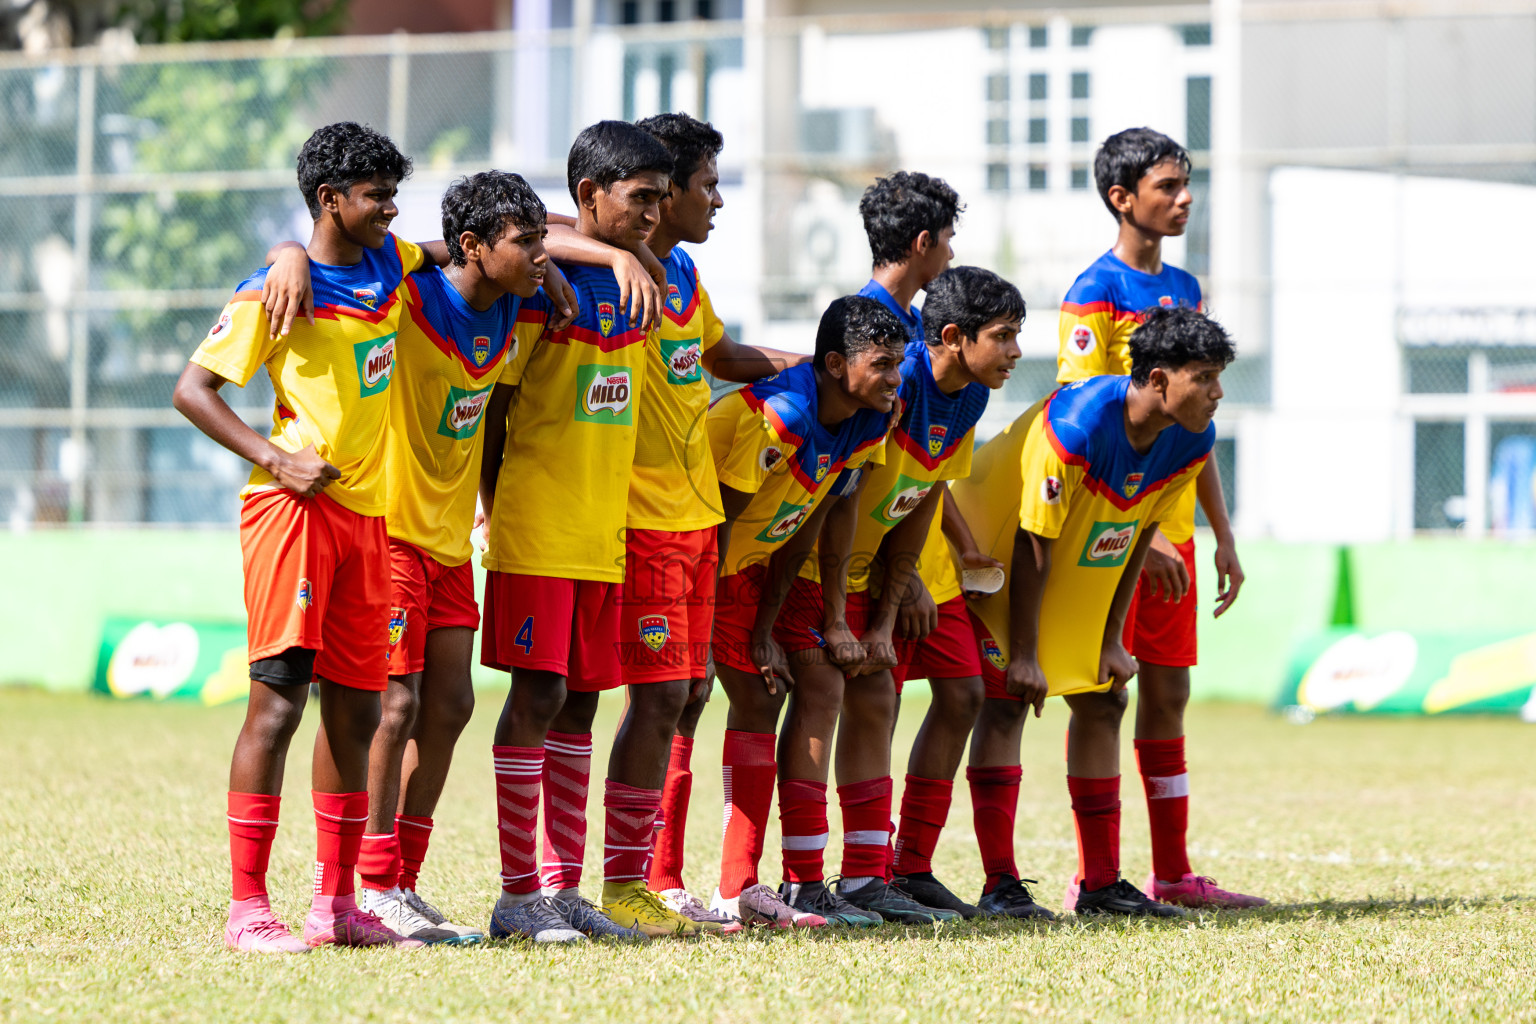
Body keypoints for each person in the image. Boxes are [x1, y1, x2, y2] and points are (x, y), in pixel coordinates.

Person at [172, 122, 425, 952]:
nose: (390, 210)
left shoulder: (390, 261)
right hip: (293, 516)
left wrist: (607, 258)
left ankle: (335, 906)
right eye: (375, 197)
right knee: (279, 704)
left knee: (357, 712)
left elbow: (492, 242)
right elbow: (193, 389)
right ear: (330, 201)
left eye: (393, 195)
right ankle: (248, 909)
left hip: (368, 518)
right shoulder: (275, 289)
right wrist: (277, 457)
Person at [477, 120, 703, 940]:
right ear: (587, 198)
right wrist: (496, 508)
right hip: (539, 526)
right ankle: (515, 896)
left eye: (659, 197)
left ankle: (564, 888)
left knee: (581, 703)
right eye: (638, 198)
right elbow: (498, 407)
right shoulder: (541, 283)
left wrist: (622, 258)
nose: (653, 213)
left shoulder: (653, 281)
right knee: (536, 696)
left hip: (607, 531)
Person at [958, 306, 1234, 916]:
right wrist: (1027, 655)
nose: (1217, 394)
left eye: (1220, 378)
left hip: (1070, 562)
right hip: (996, 554)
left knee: (1106, 694)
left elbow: (1138, 533)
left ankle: (1100, 885)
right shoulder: (1078, 425)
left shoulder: (1191, 438)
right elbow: (1034, 544)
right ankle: (1000, 887)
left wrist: (1112, 636)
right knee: (1005, 700)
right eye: (1206, 378)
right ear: (1159, 379)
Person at [1051, 127, 1261, 910]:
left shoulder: (1187, 287)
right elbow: (1089, 414)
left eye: (1186, 183)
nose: (1185, 198)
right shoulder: (1092, 293)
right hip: (1111, 522)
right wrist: (1131, 531)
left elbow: (1193, 427)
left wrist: (1220, 533)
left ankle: (1172, 872)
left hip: (1168, 523)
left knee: (1168, 695)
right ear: (1121, 197)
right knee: (1103, 691)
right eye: (1169, 186)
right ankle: (1093, 877)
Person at [348, 171, 555, 944]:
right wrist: (288, 256)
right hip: (392, 531)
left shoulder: (516, 307)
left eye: (543, 239)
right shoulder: (409, 295)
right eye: (525, 242)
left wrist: (554, 261)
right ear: (470, 247)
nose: (541, 254)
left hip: (447, 542)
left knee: (453, 706)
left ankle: (403, 879)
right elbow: (333, 250)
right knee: (394, 706)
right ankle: (370, 885)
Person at [612, 112, 805, 932]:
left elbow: (717, 356)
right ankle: (644, 880)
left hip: (697, 520)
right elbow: (549, 221)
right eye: (708, 185)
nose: (716, 201)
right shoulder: (614, 271)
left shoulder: (685, 275)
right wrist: (612, 249)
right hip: (643, 518)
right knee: (658, 701)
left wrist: (798, 364)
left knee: (689, 695)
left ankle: (668, 880)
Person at [705, 295, 902, 927]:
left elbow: (807, 522)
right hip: (689, 557)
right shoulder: (782, 416)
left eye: (899, 365)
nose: (895, 380)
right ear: (838, 364)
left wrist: (764, 628)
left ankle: (739, 886)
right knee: (675, 703)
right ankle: (660, 884)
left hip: (749, 567)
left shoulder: (870, 422)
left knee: (761, 698)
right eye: (882, 365)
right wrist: (702, 613)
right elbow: (724, 518)